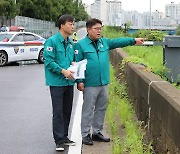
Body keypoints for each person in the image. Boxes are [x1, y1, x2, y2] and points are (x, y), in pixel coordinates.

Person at [75, 18, 144, 145]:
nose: (99, 31)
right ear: (88, 29)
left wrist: (133, 40)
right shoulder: (80, 45)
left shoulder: (104, 42)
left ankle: (97, 132)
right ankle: (85, 134)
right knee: (88, 109)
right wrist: (79, 81)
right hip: (90, 83)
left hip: (103, 82)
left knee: (101, 108)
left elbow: (118, 42)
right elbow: (78, 64)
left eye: (100, 28)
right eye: (96, 28)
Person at [44, 14, 76, 151]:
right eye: (70, 24)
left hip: (69, 82)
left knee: (67, 110)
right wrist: (63, 71)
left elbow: (71, 59)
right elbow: (49, 62)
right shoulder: (51, 42)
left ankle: (64, 136)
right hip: (57, 82)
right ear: (62, 25)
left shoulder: (70, 43)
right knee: (58, 111)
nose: (73, 26)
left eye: (73, 24)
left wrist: (73, 65)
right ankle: (58, 140)